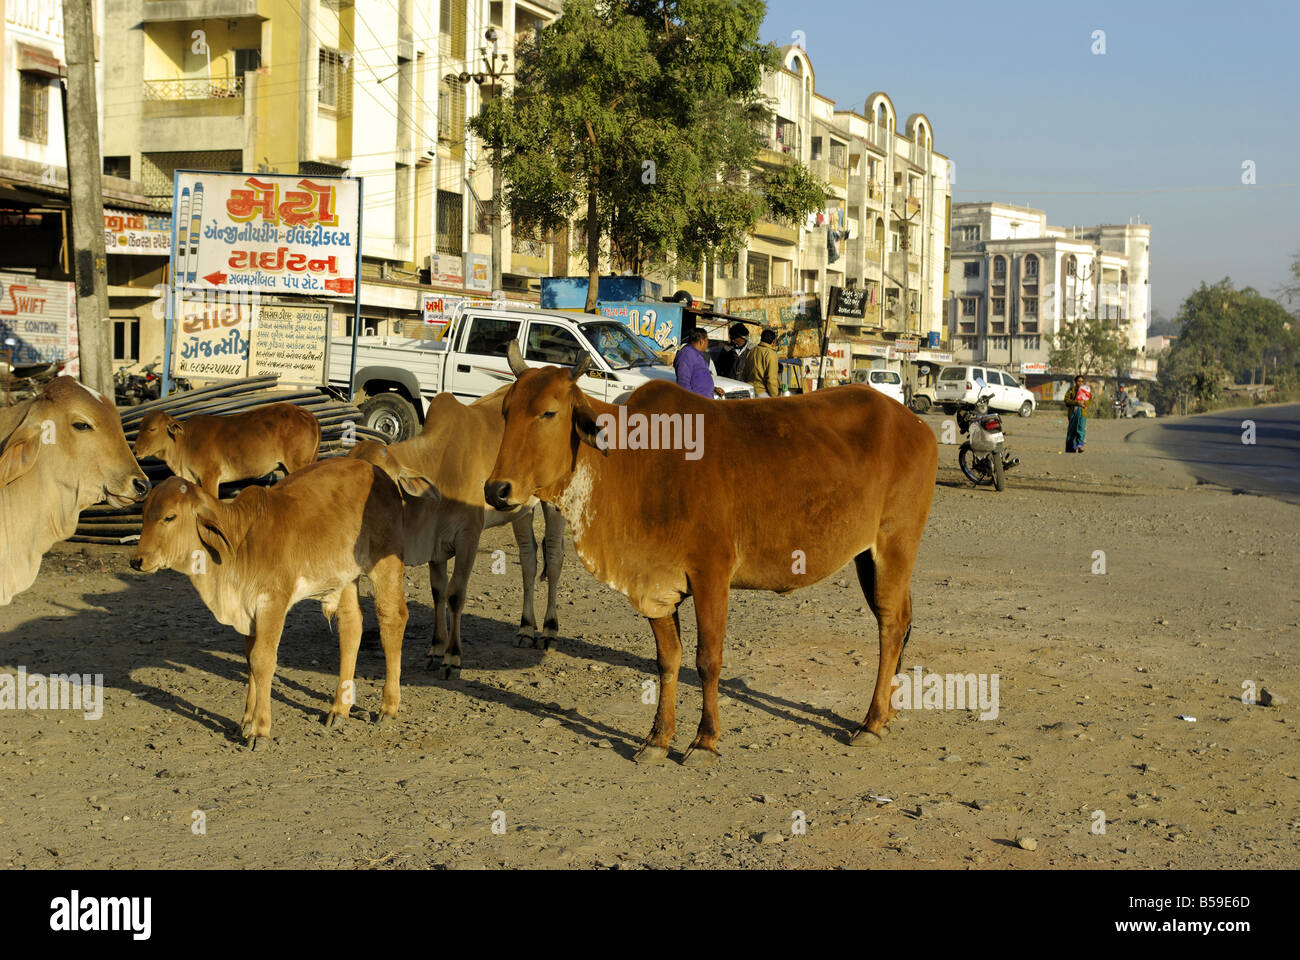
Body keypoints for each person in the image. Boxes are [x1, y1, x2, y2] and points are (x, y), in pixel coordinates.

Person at [674, 327, 724, 399]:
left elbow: (698, 379)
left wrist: (713, 388)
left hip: (705, 401)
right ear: (701, 341)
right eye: (707, 340)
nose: (707, 343)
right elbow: (683, 382)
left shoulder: (699, 355)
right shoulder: (686, 354)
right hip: (696, 403)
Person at [743, 328, 781, 398]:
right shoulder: (771, 354)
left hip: (749, 391)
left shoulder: (752, 351)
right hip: (762, 393)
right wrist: (775, 397)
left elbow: (745, 373)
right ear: (773, 341)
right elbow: (771, 379)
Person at [1064, 374, 1091, 452]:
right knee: (1072, 431)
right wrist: (1076, 403)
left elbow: (1090, 400)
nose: (1080, 383)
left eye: (1082, 382)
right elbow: (1066, 400)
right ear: (1075, 382)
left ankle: (1080, 446)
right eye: (1079, 381)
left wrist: (1084, 403)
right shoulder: (1071, 390)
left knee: (1081, 429)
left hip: (1082, 413)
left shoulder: (1086, 390)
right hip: (1073, 413)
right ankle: (1071, 448)